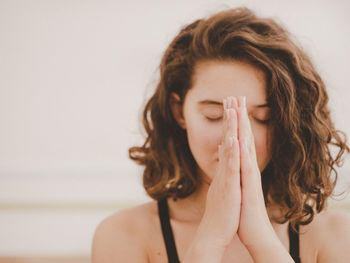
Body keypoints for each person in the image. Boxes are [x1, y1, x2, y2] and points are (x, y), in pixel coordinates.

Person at [91, 7, 350, 263]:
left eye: (263, 118)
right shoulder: (123, 235)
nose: (236, 137)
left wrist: (261, 239)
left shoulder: (336, 236)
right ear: (179, 111)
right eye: (215, 115)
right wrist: (210, 239)